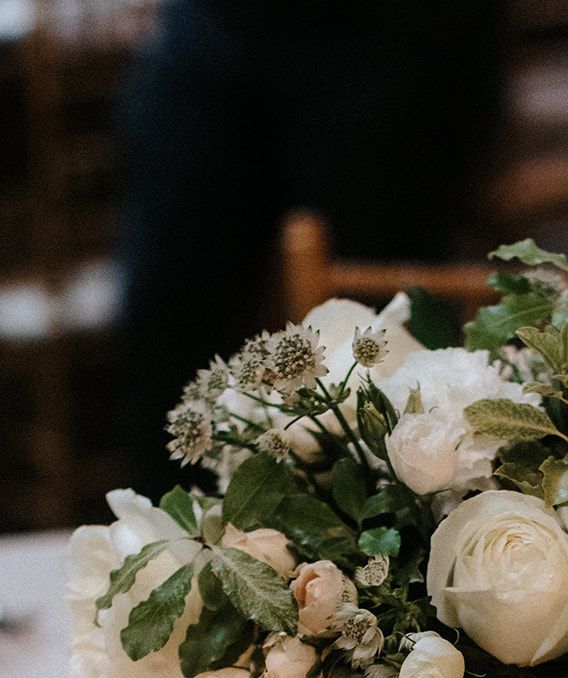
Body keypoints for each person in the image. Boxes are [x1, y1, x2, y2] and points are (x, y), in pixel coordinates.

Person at [115, 0, 503, 497]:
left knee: (383, 323)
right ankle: (176, 538)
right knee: (167, 309)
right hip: (215, 28)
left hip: (394, 36)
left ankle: (403, 539)